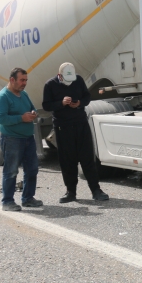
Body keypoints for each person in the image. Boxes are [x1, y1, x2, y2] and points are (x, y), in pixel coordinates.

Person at [42, 62, 109, 203]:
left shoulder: (78, 80)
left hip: (80, 124)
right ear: (59, 75)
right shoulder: (50, 84)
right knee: (67, 160)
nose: (69, 83)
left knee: (87, 158)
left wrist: (79, 103)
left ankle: (96, 190)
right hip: (62, 127)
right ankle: (70, 192)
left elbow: (87, 97)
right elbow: (46, 105)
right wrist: (61, 103)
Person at [0, 67, 43, 211]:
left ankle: (28, 198)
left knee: (32, 169)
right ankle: (7, 201)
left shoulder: (24, 94)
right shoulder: (3, 97)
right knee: (11, 171)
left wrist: (34, 113)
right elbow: (1, 119)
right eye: (22, 80)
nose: (24, 83)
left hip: (28, 139)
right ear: (12, 80)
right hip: (12, 140)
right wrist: (22, 118)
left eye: (26, 80)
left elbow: (33, 108)